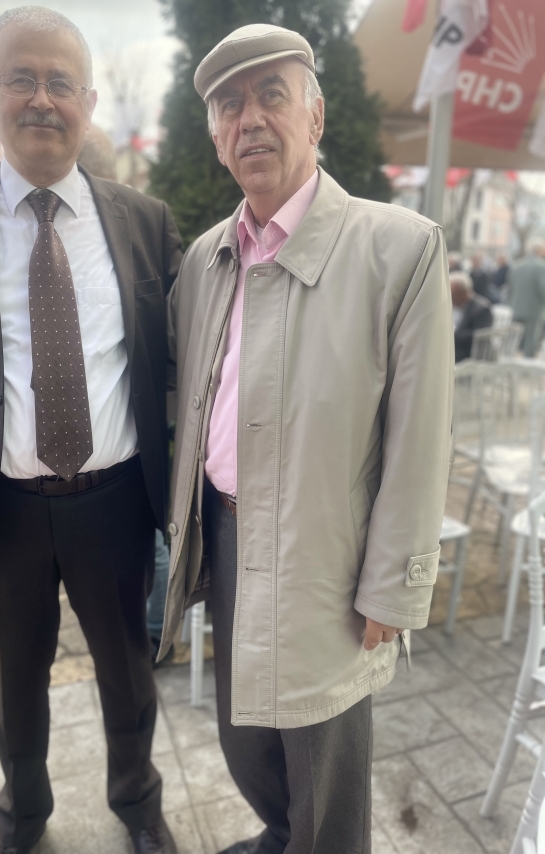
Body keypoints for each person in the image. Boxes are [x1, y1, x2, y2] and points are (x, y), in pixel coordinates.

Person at [160, 23, 453, 854]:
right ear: (216, 137)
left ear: (315, 116)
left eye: (271, 96)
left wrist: (393, 585)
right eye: (229, 105)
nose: (249, 118)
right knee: (245, 735)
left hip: (329, 544)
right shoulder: (203, 260)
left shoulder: (399, 249)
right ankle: (279, 838)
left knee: (323, 763)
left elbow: (420, 437)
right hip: (224, 533)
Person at [0, 7, 182, 854]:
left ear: (88, 102)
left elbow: (180, 366)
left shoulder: (144, 220)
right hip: (1, 510)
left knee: (128, 674)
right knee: (14, 685)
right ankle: (22, 819)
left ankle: (138, 805)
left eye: (61, 82)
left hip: (117, 502)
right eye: (21, 78)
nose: (41, 98)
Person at [76, 125, 174, 665]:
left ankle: (154, 634)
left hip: (140, 451)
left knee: (154, 546)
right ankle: (149, 634)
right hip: (79, 473)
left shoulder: (145, 222)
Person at [507, 238, 545, 358]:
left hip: (516, 307)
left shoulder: (516, 265)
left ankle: (510, 360)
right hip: (533, 309)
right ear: (538, 250)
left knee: (514, 339)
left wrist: (510, 304)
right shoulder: (541, 267)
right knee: (531, 339)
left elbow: (510, 288)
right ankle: (528, 363)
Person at [451, 271, 493, 362]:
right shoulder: (452, 306)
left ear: (464, 292)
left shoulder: (482, 309)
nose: (451, 299)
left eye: (453, 296)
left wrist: (452, 335)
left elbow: (480, 335)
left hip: (466, 354)